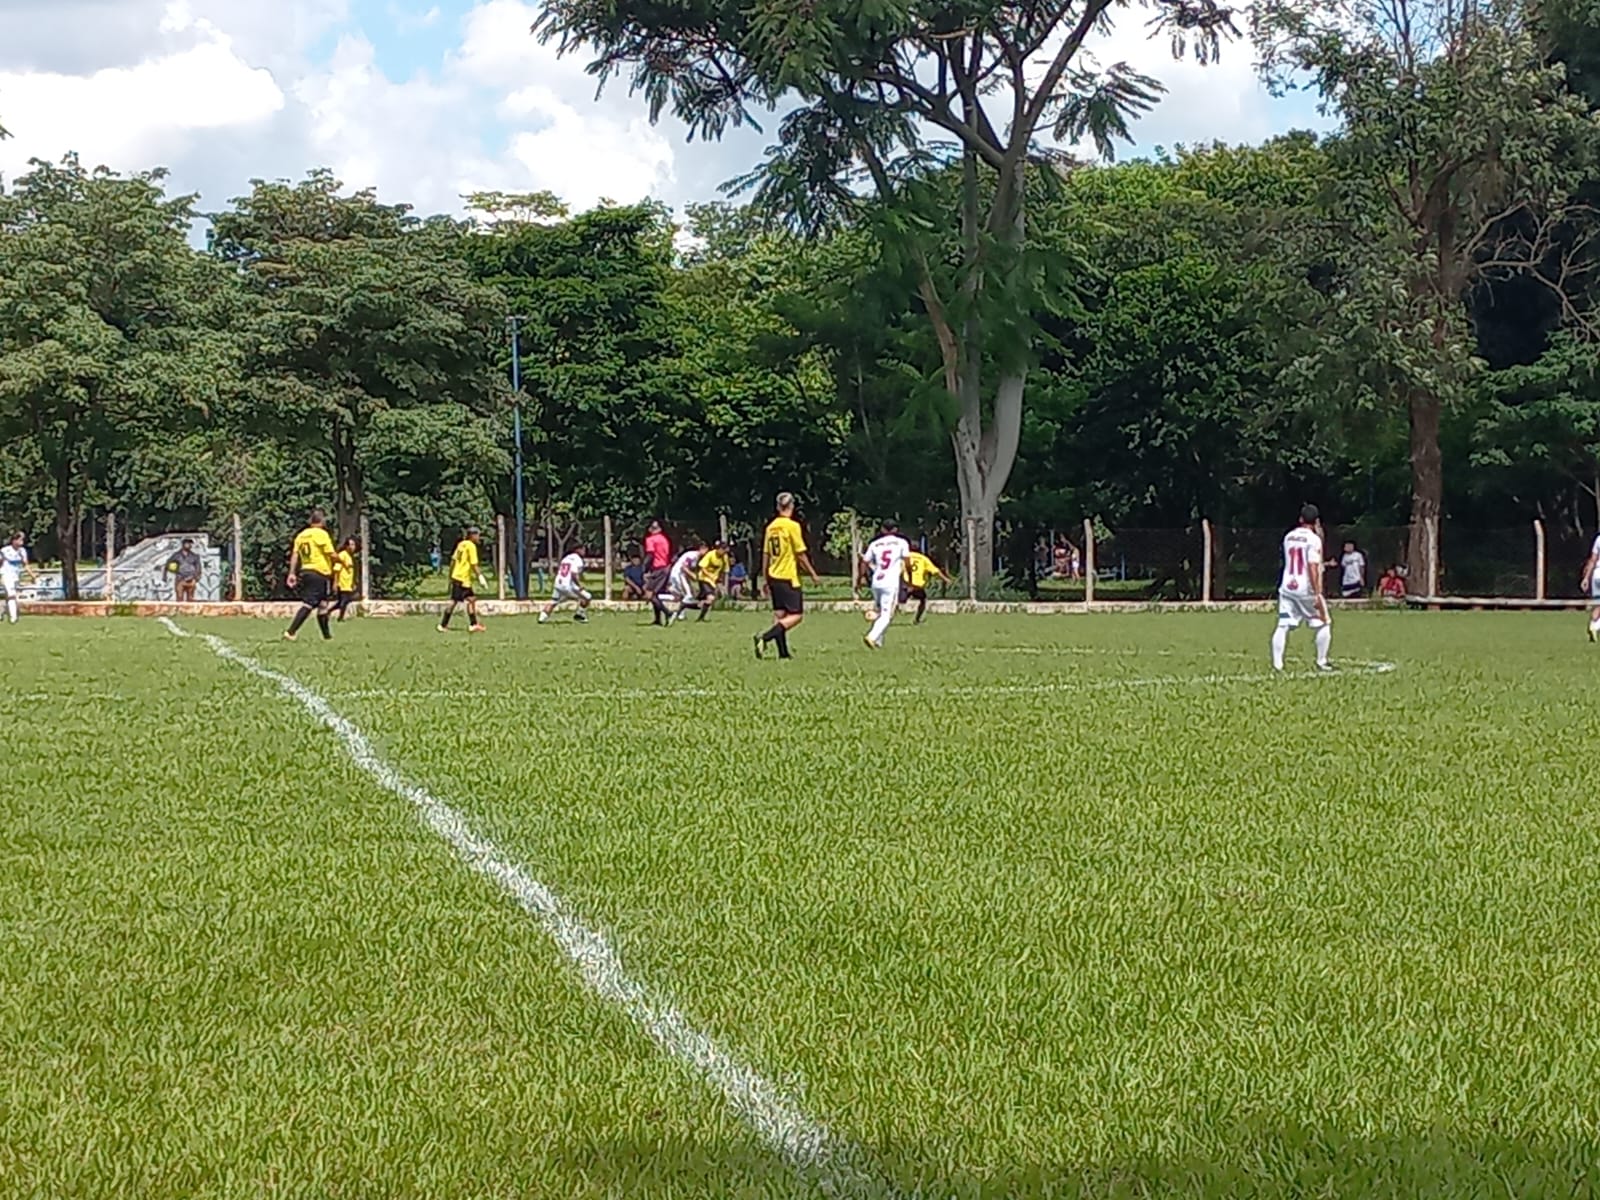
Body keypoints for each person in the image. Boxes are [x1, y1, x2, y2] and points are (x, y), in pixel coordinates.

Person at [753, 492, 819, 660]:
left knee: (780, 615)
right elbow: (800, 554)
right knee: (796, 615)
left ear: (777, 507)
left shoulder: (771, 527)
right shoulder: (792, 526)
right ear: (792, 506)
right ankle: (765, 637)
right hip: (788, 577)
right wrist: (812, 573)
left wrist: (765, 577)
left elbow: (766, 554)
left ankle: (783, 653)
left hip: (773, 576)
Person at [1272, 504, 1333, 672]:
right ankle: (1322, 661)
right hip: (1305, 589)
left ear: (1300, 519)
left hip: (1287, 586)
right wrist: (1317, 592)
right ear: (1317, 521)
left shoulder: (1289, 536)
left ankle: (1277, 664)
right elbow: (1312, 566)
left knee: (1282, 625)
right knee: (1324, 623)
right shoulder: (1314, 540)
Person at [284, 509, 337, 642]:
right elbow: (330, 553)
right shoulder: (321, 534)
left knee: (323, 604)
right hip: (319, 572)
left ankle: (327, 637)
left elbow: (295, 554)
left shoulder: (301, 535)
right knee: (309, 603)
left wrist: (292, 573)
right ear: (322, 521)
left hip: (306, 571)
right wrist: (342, 560)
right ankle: (290, 632)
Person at [861, 520, 911, 650]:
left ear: (882, 529)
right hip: (890, 583)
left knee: (879, 611)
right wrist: (909, 578)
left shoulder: (875, 544)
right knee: (887, 615)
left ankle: (878, 641)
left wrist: (860, 578)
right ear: (895, 530)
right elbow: (907, 562)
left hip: (877, 581)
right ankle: (872, 637)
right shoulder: (901, 542)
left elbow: (864, 562)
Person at [437, 526, 488, 633]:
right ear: (472, 535)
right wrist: (480, 577)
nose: (478, 537)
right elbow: (474, 564)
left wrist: (451, 575)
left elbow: (453, 560)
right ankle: (443, 625)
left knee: (471, 599)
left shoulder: (461, 544)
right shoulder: (471, 546)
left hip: (458, 576)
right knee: (454, 601)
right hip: (462, 578)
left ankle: (473, 624)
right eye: (477, 535)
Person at [541, 543, 592, 622]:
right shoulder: (578, 559)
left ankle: (542, 618)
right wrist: (580, 585)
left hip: (558, 583)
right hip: (567, 585)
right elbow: (573, 574)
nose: (584, 551)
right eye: (583, 549)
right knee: (587, 597)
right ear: (578, 550)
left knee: (554, 601)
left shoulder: (566, 558)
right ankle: (579, 614)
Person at [902, 547, 951, 625]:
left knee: (896, 602)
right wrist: (945, 579)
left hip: (906, 584)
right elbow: (935, 571)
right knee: (923, 601)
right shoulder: (923, 558)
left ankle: (886, 616)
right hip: (917, 585)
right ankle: (917, 619)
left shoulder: (905, 557)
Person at [1, 532, 36, 624]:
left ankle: (1, 611)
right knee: (11, 595)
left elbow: (26, 564)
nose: (22, 542)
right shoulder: (5, 550)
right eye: (20, 539)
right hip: (6, 575)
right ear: (14, 540)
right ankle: (13, 617)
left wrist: (32, 575)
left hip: (16, 576)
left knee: (9, 597)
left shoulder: (22, 551)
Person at [642, 520, 672, 627]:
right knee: (654, 595)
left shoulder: (651, 539)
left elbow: (650, 554)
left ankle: (668, 613)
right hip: (665, 567)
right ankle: (657, 619)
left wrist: (644, 568)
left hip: (658, 568)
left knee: (649, 594)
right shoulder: (664, 539)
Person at [667, 543, 704, 622]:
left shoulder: (696, 557)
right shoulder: (692, 555)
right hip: (678, 574)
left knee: (681, 595)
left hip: (680, 575)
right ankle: (677, 613)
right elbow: (684, 567)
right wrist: (693, 576)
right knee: (688, 595)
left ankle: (680, 615)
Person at [695, 540, 731, 621]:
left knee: (710, 600)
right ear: (718, 549)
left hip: (713, 581)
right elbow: (702, 567)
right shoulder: (710, 554)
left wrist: (721, 582)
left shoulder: (724, 557)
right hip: (704, 579)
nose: (724, 552)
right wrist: (710, 576)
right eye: (723, 549)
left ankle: (691, 607)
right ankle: (698, 611)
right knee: (711, 598)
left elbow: (725, 570)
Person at [164, 538, 203, 603]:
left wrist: (196, 578)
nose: (189, 545)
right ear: (183, 544)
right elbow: (168, 565)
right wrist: (165, 576)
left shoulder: (194, 556)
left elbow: (198, 568)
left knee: (190, 599)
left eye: (190, 544)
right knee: (179, 598)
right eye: (187, 543)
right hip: (180, 579)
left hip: (191, 580)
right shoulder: (176, 555)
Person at [332, 537, 358, 620]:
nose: (353, 547)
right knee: (345, 600)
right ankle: (340, 617)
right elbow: (336, 569)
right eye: (351, 545)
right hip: (342, 582)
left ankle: (329, 612)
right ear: (346, 546)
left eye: (354, 545)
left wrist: (353, 582)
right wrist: (335, 582)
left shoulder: (350, 556)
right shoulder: (342, 555)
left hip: (348, 583)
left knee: (343, 601)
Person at [1583, 533, 1600, 641]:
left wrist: (1586, 578)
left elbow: (1593, 559)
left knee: (1597, 604)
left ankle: (1593, 624)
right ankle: (1595, 627)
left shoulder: (1598, 538)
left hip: (1597, 575)